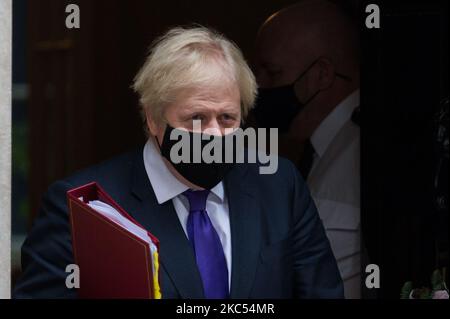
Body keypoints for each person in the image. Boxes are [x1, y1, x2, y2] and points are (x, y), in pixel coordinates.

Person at [13, 26, 343, 299]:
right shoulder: (86, 204)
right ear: (154, 119)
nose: (214, 134)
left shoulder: (277, 183)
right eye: (196, 118)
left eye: (228, 118)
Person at [252, 0, 361, 298]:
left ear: (322, 75)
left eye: (272, 73)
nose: (256, 87)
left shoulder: (343, 175)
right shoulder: (327, 150)